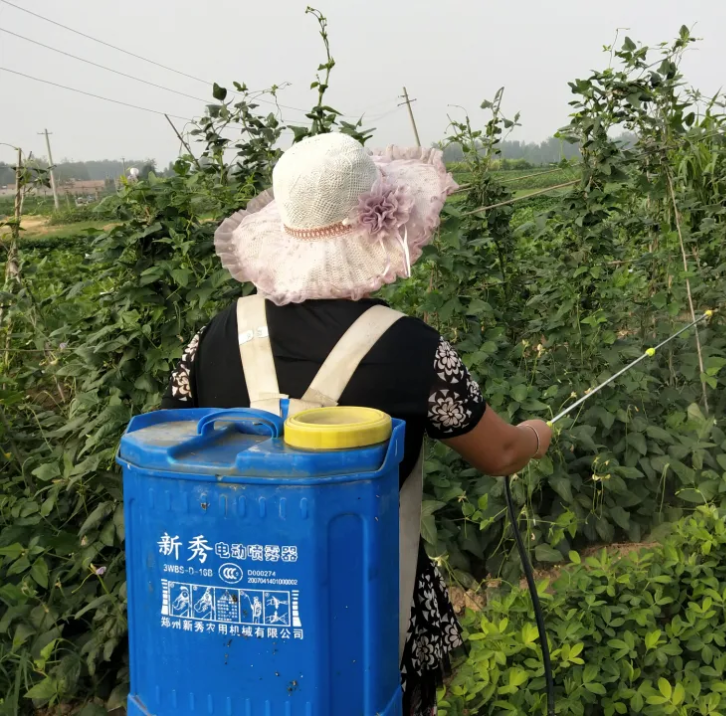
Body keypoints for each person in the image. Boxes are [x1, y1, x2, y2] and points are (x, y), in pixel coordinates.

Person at [160, 133, 554, 716]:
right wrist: (537, 434)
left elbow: (175, 438)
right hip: (364, 607)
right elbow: (499, 454)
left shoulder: (217, 335)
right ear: (383, 232)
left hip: (239, 596)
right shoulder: (410, 349)